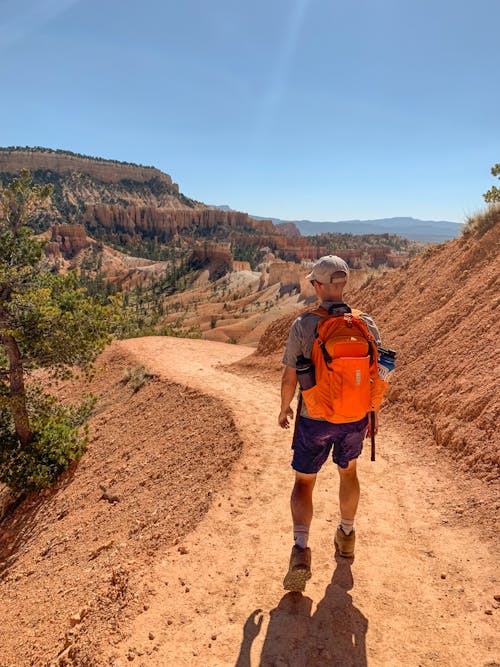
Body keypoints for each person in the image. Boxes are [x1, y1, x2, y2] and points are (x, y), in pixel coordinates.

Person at [278, 255, 382, 592]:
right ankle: (347, 535)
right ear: (344, 284)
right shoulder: (366, 323)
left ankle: (300, 550)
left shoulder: (304, 325)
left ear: (320, 286)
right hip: (354, 418)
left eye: (313, 282)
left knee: (304, 483)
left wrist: (284, 409)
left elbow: (289, 377)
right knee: (348, 472)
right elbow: (376, 374)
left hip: (315, 418)